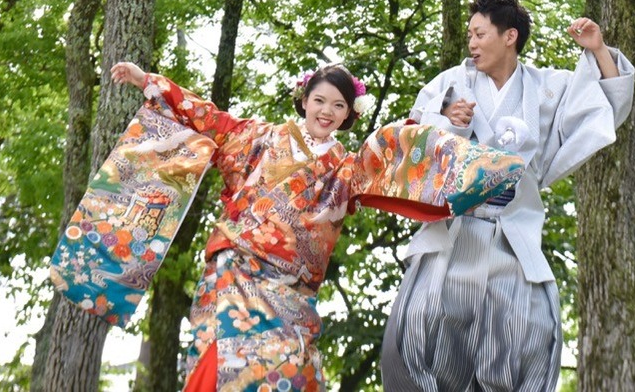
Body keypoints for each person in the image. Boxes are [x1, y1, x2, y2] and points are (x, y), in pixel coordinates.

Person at [51, 61, 524, 392]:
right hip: (237, 272)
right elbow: (208, 119)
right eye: (319, 100)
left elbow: (399, 156)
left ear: (347, 114)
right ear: (304, 100)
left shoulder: (347, 166)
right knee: (222, 363)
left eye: (338, 106)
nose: (327, 111)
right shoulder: (257, 138)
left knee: (296, 372)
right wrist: (148, 82)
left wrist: (458, 149)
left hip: (295, 293)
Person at [381, 0, 635, 392]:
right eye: (469, 35)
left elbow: (604, 107)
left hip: (513, 236)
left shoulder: (548, 88)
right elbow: (410, 138)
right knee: (419, 330)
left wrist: (598, 49)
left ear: (509, 36)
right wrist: (445, 119)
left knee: (527, 338)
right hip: (453, 233)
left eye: (481, 34)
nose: (472, 43)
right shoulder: (452, 82)